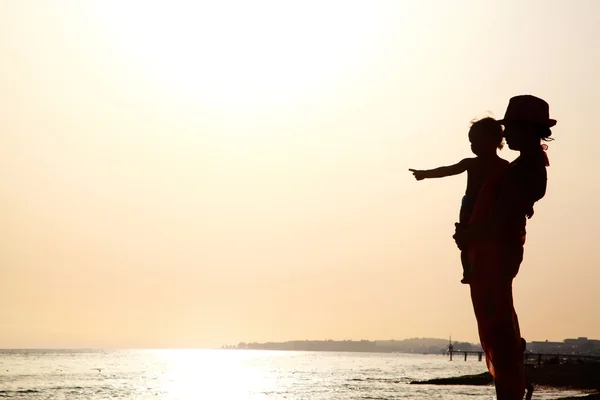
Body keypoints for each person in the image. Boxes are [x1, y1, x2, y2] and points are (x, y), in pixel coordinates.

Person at [454, 95, 555, 400]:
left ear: (527, 130)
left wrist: (471, 236)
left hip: (494, 253)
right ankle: (511, 386)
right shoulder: (525, 165)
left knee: (498, 326)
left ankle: (511, 390)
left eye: (510, 128)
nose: (505, 135)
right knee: (498, 323)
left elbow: (502, 217)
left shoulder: (525, 169)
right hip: (494, 251)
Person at [409, 117, 508, 283]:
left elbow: (512, 190)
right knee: (464, 237)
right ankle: (467, 271)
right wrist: (425, 174)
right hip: (470, 205)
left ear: (492, 141)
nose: (472, 146)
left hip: (491, 207)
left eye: (476, 141)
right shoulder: (470, 163)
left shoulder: (504, 167)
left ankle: (485, 266)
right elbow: (447, 170)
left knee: (484, 238)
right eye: (471, 142)